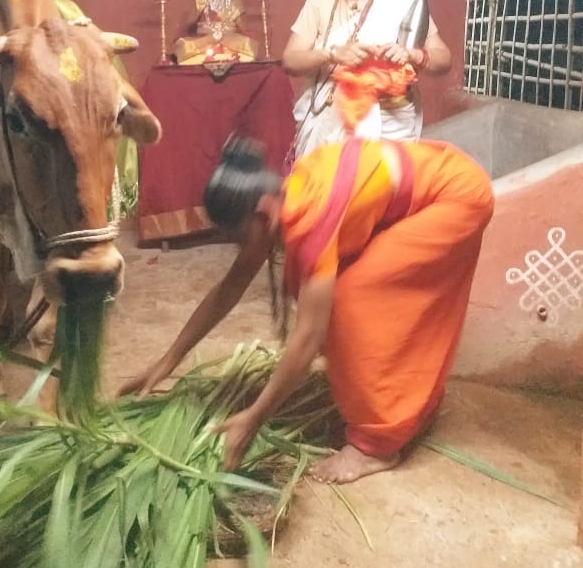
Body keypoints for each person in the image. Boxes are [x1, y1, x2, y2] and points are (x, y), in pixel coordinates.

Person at [119, 134, 493, 483]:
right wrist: (167, 361)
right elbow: (229, 288)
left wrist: (253, 417)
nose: (241, 249)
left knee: (349, 299)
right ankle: (407, 400)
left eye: (241, 237)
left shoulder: (312, 220)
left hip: (455, 199)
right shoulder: (283, 199)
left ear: (263, 214)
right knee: (336, 291)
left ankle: (378, 446)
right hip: (431, 188)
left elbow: (308, 337)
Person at [282, 0, 452, 156]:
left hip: (390, 130)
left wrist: (413, 55)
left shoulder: (405, 0)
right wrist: (332, 54)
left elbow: (443, 59)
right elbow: (290, 60)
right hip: (327, 131)